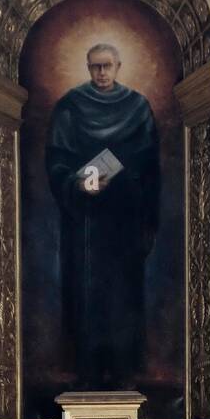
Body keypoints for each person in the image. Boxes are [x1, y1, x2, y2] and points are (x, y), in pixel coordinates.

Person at [45, 43, 159, 389]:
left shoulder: (138, 107)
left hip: (124, 220)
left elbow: (150, 167)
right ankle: (88, 369)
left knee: (124, 296)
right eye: (95, 66)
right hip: (85, 225)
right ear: (87, 66)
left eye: (107, 66)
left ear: (119, 66)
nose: (101, 73)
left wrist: (130, 191)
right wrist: (77, 184)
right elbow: (56, 161)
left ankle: (124, 368)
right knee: (86, 293)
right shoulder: (70, 106)